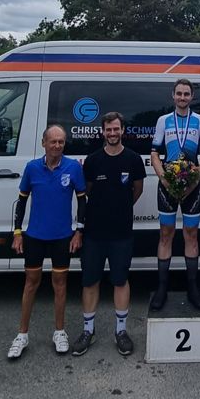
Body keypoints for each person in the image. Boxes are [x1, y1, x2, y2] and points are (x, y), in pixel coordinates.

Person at [7, 125, 86, 359]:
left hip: (62, 237)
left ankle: (59, 332)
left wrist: (79, 232)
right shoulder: (32, 168)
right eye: (53, 141)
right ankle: (22, 335)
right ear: (44, 143)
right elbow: (21, 201)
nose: (57, 146)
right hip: (35, 236)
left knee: (60, 284)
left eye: (61, 142)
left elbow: (82, 201)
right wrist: (18, 233)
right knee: (31, 283)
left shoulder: (73, 167)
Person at [71, 112, 146, 357]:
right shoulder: (93, 161)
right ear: (102, 132)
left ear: (123, 130)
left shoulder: (133, 159)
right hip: (94, 232)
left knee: (120, 280)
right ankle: (88, 331)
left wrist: (120, 208)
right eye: (108, 129)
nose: (112, 133)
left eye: (116, 129)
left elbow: (137, 190)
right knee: (90, 281)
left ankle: (121, 331)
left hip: (122, 232)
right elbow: (86, 194)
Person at [150, 79, 200, 310]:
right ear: (173, 95)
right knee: (165, 234)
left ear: (192, 97)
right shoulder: (163, 121)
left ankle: (193, 288)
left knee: (191, 235)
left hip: (192, 186)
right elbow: (154, 153)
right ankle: (162, 288)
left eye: (187, 94)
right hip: (167, 185)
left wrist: (195, 179)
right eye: (179, 93)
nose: (183, 97)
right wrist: (164, 180)